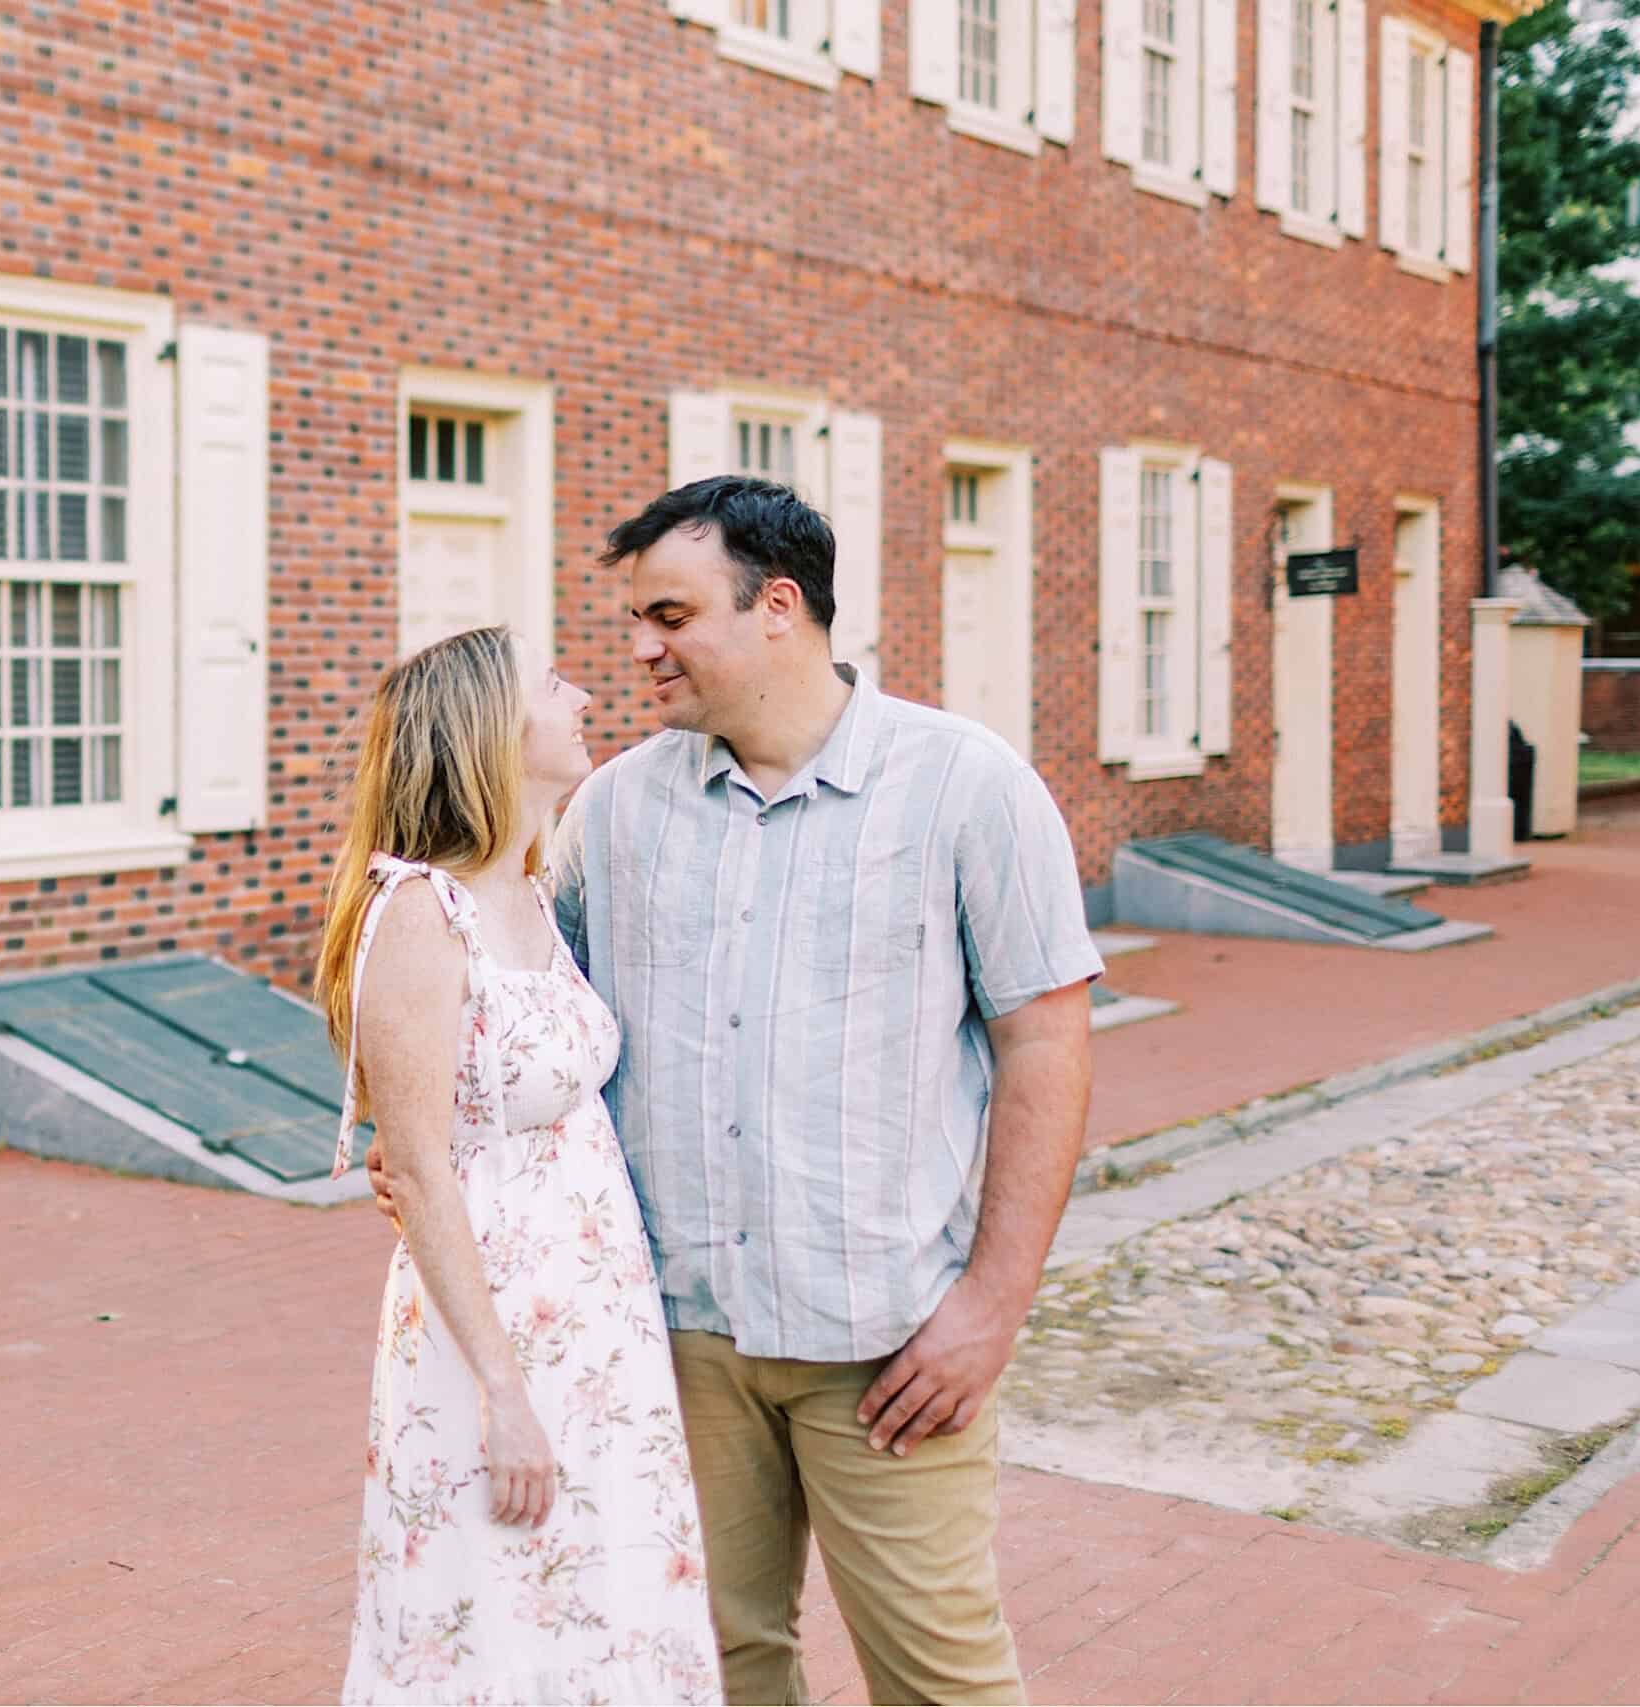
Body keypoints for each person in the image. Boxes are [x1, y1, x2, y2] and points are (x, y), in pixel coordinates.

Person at [371, 477, 1102, 1705]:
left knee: (942, 1679)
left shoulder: (966, 788)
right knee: (707, 1667)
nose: (641, 650)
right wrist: (427, 1141)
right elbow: (514, 1008)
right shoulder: (614, 808)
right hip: (669, 1340)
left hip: (883, 1346)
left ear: (777, 607)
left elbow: (1048, 1043)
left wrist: (991, 1302)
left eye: (669, 614)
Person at [316, 625, 722, 1706]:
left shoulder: (530, 894)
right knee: (493, 1617)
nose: (583, 692)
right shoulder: (417, 914)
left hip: (594, 1325)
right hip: (492, 1336)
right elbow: (423, 1170)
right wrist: (502, 1393)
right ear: (492, 731)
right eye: (552, 683)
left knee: (603, 1606)